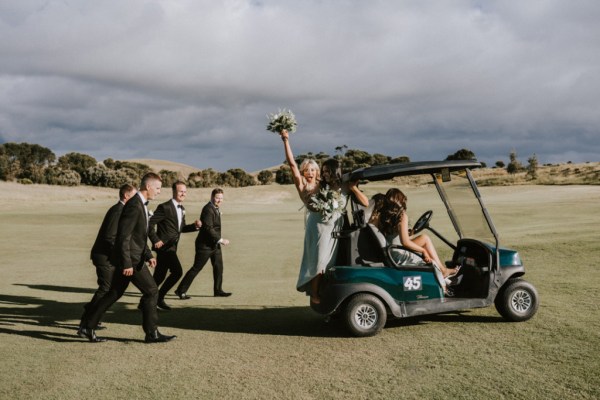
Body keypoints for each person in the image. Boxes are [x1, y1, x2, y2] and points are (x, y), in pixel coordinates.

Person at [78, 172, 176, 343]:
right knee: (151, 291)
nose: (159, 192)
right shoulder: (134, 205)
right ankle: (152, 333)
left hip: (136, 257)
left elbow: (139, 235)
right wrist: (127, 264)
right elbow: (124, 237)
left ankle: (88, 326)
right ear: (148, 186)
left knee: (114, 293)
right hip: (131, 260)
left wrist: (148, 255)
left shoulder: (141, 204)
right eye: (158, 188)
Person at [279, 129, 368, 304]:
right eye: (307, 170)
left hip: (335, 227)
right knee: (318, 262)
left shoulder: (324, 184)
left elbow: (341, 181)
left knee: (331, 263)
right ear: (303, 172)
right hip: (318, 228)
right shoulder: (303, 185)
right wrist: (285, 140)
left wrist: (352, 184)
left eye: (313, 169)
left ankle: (328, 292)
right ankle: (314, 294)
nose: (310, 172)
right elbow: (291, 165)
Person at [377, 188, 460, 295]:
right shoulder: (402, 216)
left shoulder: (383, 216)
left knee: (424, 238)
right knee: (427, 251)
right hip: (399, 253)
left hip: (392, 251)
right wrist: (423, 251)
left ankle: (444, 270)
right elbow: (405, 242)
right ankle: (443, 272)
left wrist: (411, 232)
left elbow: (396, 237)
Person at [80, 183, 136, 330]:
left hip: (108, 256)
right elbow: (109, 237)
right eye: (134, 195)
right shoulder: (118, 210)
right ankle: (87, 319)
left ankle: (92, 317)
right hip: (103, 256)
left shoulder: (122, 210)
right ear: (126, 195)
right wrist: (122, 255)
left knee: (107, 288)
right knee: (106, 288)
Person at [145, 181, 201, 310]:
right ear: (174, 192)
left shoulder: (182, 209)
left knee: (159, 277)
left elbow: (181, 229)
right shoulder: (164, 207)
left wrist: (195, 226)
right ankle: (159, 298)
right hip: (164, 248)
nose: (183, 194)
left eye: (185, 191)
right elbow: (149, 224)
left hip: (172, 247)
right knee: (177, 272)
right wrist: (155, 240)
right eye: (181, 191)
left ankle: (144, 303)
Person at [175, 188, 231, 298]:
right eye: (217, 198)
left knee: (218, 267)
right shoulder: (207, 209)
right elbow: (208, 228)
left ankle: (218, 291)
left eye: (221, 198)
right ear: (212, 197)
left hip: (214, 245)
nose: (219, 200)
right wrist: (220, 240)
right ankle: (180, 290)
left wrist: (217, 242)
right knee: (196, 268)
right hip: (205, 246)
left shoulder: (215, 208)